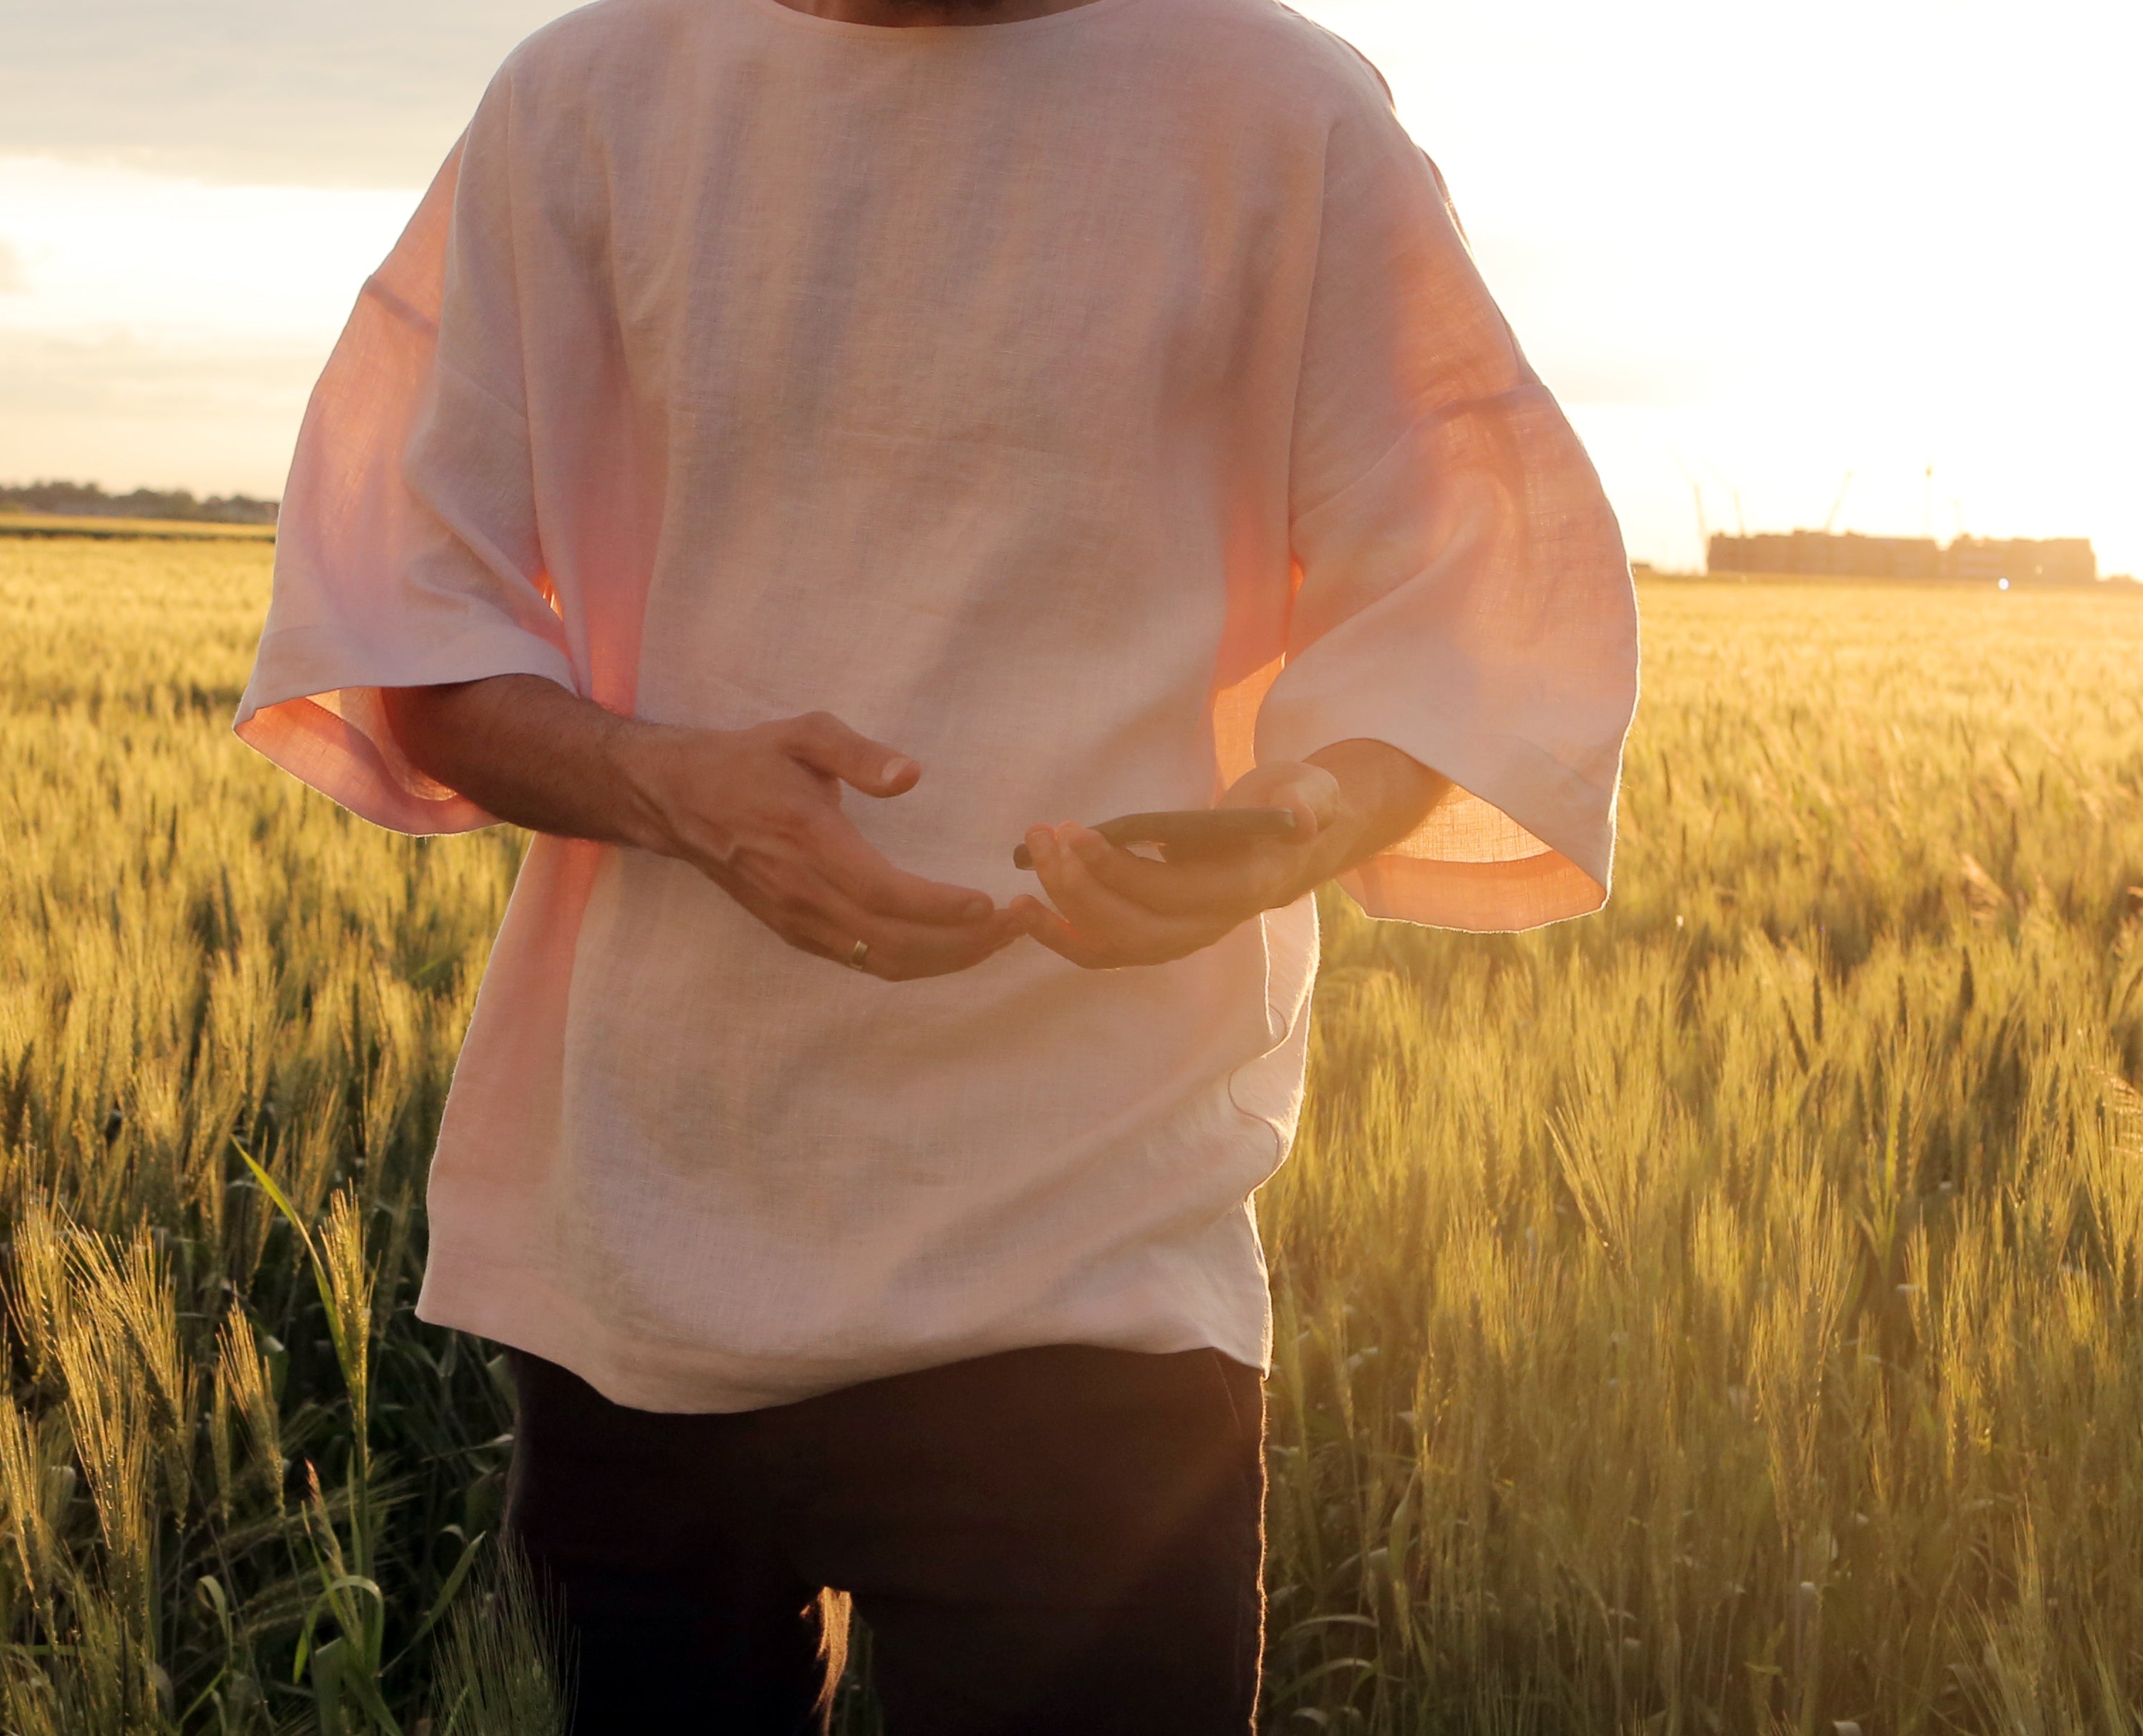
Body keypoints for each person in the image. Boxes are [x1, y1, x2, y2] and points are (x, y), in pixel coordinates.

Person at [233, 0, 1638, 1723]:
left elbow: (1470, 593)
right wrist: (678, 789)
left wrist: (1288, 830)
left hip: (1095, 1266)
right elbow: (410, 632)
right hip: (650, 1242)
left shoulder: (1275, 107)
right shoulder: (585, 99)